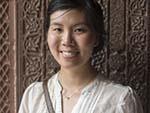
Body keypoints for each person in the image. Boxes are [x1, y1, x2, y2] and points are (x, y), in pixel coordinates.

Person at [18, 0, 144, 113]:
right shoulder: (34, 96)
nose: (67, 41)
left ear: (96, 37)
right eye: (58, 29)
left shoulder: (120, 100)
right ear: (47, 34)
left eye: (79, 30)